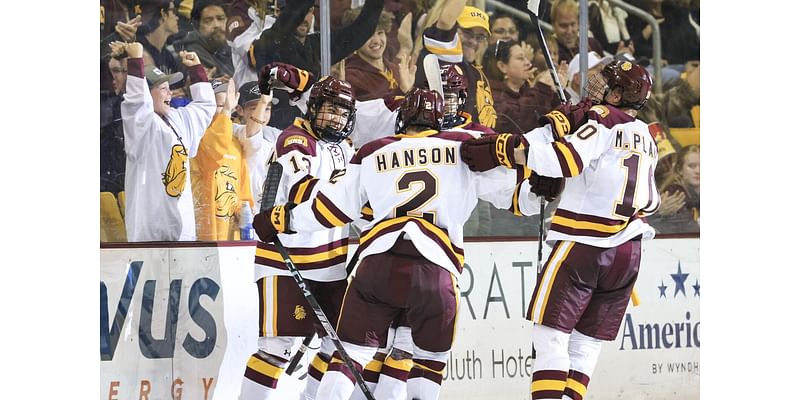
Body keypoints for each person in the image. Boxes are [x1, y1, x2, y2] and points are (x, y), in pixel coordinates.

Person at [251, 88, 553, 400]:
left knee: (349, 355)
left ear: (401, 118)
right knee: (426, 361)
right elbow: (513, 196)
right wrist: (540, 190)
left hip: (377, 266)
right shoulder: (462, 147)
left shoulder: (372, 151)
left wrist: (281, 220)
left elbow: (330, 209)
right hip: (435, 273)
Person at [460, 60, 661, 400]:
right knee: (586, 344)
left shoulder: (602, 121)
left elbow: (565, 160)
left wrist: (509, 151)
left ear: (617, 94)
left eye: (604, 86)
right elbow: (651, 202)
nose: (595, 91)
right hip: (629, 252)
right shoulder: (646, 135)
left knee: (550, 335)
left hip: (584, 246)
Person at [238, 75, 358, 400]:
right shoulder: (295, 140)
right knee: (276, 349)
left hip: (331, 265)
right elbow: (306, 193)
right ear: (315, 107)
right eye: (331, 109)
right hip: (286, 260)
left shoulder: (343, 148)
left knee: (340, 345)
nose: (336, 118)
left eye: (343, 113)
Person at [121, 42, 215, 241]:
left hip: (184, 229)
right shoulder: (141, 125)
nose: (170, 93)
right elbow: (137, 102)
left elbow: (205, 107)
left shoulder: (176, 119)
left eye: (169, 88)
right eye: (163, 88)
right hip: (149, 233)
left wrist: (196, 71)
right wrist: (135, 61)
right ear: (147, 94)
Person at [190, 78, 257, 240]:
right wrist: (226, 111)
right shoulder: (196, 138)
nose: (222, 111)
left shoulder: (235, 143)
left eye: (226, 106)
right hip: (201, 233)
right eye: (219, 106)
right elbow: (214, 151)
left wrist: (244, 211)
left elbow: (243, 191)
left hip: (229, 234)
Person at [415, 0, 498, 129]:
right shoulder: (443, 57)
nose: (473, 41)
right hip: (436, 140)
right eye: (467, 32)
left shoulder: (477, 73)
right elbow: (445, 22)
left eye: (480, 37)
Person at [483, 40, 561, 135]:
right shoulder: (491, 97)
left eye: (526, 58)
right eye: (520, 58)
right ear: (502, 66)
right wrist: (542, 89)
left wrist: (557, 91)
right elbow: (520, 126)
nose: (528, 63)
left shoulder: (528, 90)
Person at [342, 8, 415, 101]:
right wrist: (401, 91)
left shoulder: (396, 70)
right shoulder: (351, 77)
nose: (376, 41)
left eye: (380, 33)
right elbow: (372, 112)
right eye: (368, 35)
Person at [173, 0, 235, 79]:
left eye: (220, 18)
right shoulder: (192, 53)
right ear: (197, 26)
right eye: (208, 21)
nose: (216, 25)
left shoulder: (229, 46)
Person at [648, 144, 699, 234]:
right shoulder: (675, 193)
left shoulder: (695, 194)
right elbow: (689, 233)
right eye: (691, 166)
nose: (698, 171)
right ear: (680, 170)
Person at [101, 45, 131, 194]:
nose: (119, 76)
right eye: (114, 71)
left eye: (124, 71)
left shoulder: (143, 104)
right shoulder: (104, 104)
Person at [550, 0, 606, 65]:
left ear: (578, 23)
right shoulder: (551, 52)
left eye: (573, 24)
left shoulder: (593, 44)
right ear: (553, 25)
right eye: (563, 26)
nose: (569, 31)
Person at [136, 0, 181, 75]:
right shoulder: (140, 52)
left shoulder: (168, 56)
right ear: (163, 14)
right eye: (174, 12)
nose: (177, 18)